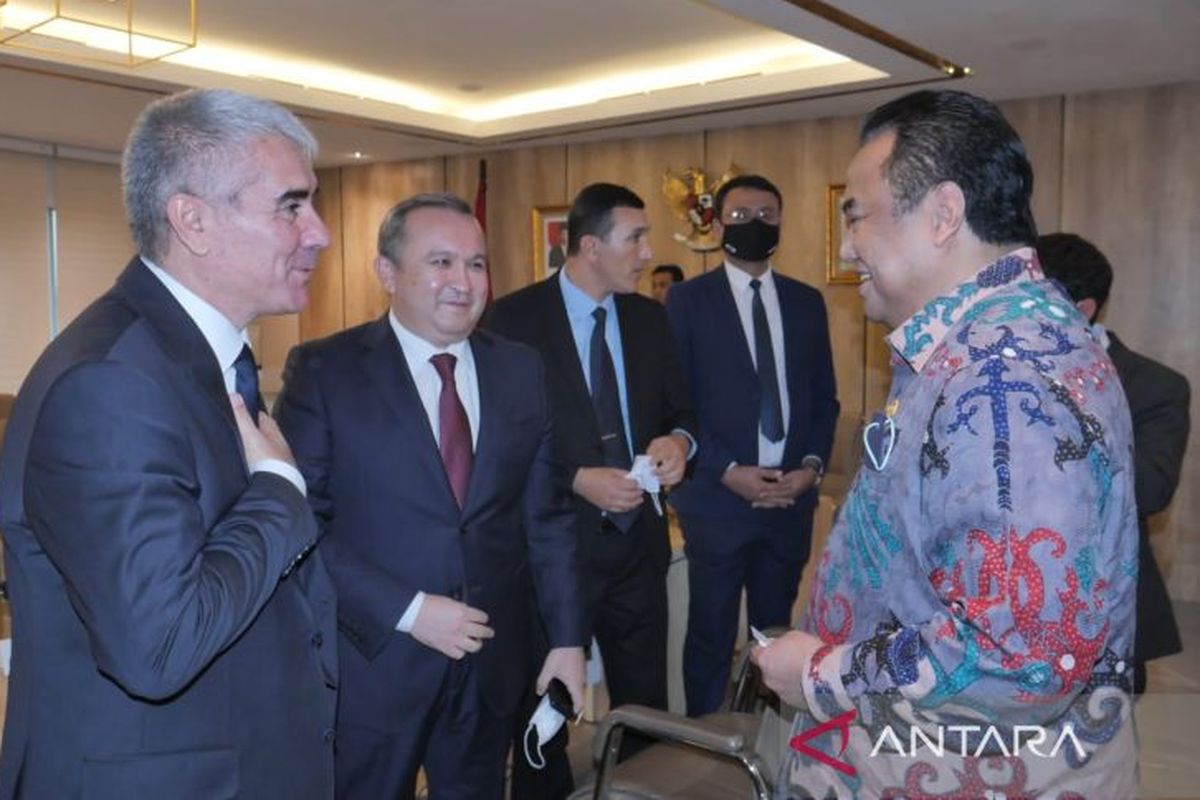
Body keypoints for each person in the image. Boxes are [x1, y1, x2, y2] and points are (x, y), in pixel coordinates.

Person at [752, 90, 1138, 797]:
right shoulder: (990, 341)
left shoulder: (1002, 376)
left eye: (856, 215)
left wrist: (817, 675)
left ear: (943, 214)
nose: (844, 248)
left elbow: (1021, 659)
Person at [0, 88, 337, 799]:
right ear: (193, 221)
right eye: (291, 205)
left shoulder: (197, 360)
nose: (320, 232)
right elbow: (158, 645)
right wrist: (279, 494)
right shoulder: (109, 383)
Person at [274, 193, 585, 800]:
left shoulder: (521, 369)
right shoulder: (325, 370)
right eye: (440, 262)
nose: (463, 282)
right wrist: (412, 611)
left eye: (475, 264)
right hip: (375, 661)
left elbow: (547, 519)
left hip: (492, 662)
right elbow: (297, 522)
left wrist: (570, 639)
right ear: (388, 273)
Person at [483, 182, 696, 798]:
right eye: (635, 239)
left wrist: (680, 444)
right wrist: (576, 478)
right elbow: (495, 442)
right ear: (589, 246)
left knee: (645, 708)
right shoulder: (514, 321)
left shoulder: (651, 319)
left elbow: (684, 412)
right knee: (547, 706)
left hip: (638, 552)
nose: (647, 253)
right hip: (554, 556)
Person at [666, 173, 839, 717]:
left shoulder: (807, 302)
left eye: (767, 214)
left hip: (789, 500)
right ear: (718, 224)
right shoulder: (687, 301)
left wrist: (810, 468)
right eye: (740, 216)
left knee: (776, 639)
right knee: (711, 634)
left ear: (782, 222)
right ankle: (703, 747)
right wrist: (727, 471)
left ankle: (761, 744)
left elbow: (823, 400)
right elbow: (678, 404)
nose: (754, 225)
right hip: (718, 502)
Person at [1038, 231, 1189, 694]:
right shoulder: (983, 372)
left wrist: (1071, 409)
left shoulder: (1154, 386)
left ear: (1082, 309)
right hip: (994, 613)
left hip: (1103, 614)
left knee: (1095, 762)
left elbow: (1149, 490)